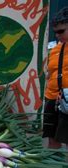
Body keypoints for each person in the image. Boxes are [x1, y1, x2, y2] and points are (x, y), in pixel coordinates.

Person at [43, 7, 68, 149]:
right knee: (51, 139)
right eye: (55, 32)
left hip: (67, 100)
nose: (57, 35)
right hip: (52, 99)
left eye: (61, 31)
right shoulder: (55, 49)